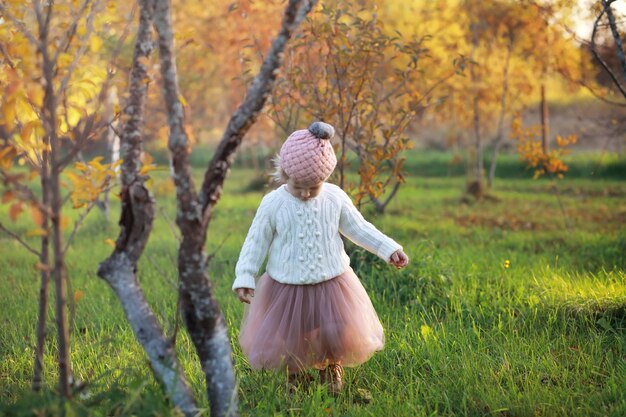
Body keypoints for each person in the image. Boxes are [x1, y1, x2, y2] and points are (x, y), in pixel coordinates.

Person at [233, 121, 409, 394]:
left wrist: (388, 248)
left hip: (332, 281)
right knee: (292, 334)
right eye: (298, 186)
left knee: (333, 328)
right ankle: (296, 374)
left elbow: (359, 228)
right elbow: (256, 240)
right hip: (286, 285)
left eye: (313, 187)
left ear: (325, 179)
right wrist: (245, 275)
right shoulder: (273, 203)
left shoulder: (335, 198)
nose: (305, 193)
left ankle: (331, 367)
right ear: (284, 173)